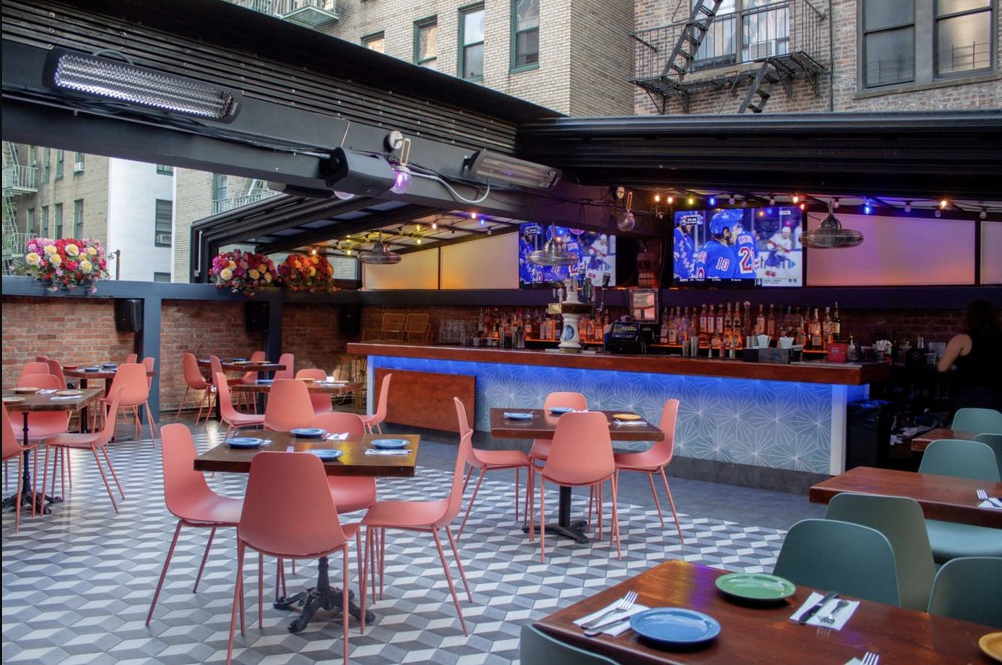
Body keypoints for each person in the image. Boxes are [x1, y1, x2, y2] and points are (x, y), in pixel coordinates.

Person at [937, 298, 1002, 411]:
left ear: (968, 317)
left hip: (968, 397)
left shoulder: (961, 339)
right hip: (997, 397)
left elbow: (942, 368)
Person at [695, 211, 737, 280]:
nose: (737, 233)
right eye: (735, 229)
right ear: (726, 232)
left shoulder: (704, 248)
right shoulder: (724, 254)